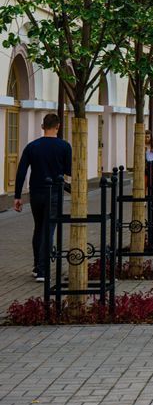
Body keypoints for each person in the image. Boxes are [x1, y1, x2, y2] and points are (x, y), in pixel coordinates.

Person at [13, 113, 72, 282]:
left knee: (38, 227)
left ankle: (36, 266)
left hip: (36, 192)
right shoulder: (64, 146)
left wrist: (18, 196)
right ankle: (42, 271)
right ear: (58, 126)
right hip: (54, 192)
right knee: (49, 229)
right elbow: (68, 170)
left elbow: (21, 171)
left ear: (42, 126)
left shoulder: (32, 146)